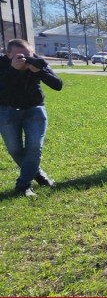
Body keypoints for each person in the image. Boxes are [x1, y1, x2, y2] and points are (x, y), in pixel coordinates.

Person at [0, 39, 63, 197]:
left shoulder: (37, 62)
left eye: (28, 54)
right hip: (7, 110)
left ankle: (23, 186)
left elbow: (58, 85)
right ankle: (39, 175)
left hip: (34, 109)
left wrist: (39, 71)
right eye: (19, 55)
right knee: (15, 149)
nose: (25, 58)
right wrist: (14, 70)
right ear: (8, 54)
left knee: (34, 148)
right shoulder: (2, 63)